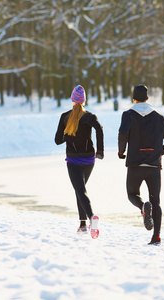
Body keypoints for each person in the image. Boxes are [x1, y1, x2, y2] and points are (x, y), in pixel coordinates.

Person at [118, 85, 164, 245]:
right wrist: (158, 152)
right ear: (148, 98)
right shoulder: (159, 117)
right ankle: (156, 236)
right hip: (153, 166)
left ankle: (143, 206)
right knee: (156, 202)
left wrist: (121, 152)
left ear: (133, 99)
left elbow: (123, 133)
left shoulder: (128, 115)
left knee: (132, 194)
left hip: (135, 164)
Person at [55, 85, 104, 239]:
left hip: (74, 160)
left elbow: (57, 140)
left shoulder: (65, 117)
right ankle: (82, 225)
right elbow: (100, 129)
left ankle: (91, 218)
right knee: (80, 189)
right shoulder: (90, 116)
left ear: (72, 100)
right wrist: (100, 151)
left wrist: (67, 136)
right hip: (89, 159)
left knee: (80, 190)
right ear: (84, 101)